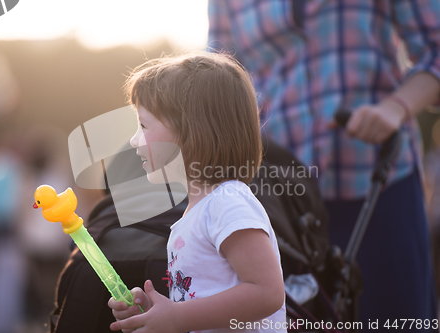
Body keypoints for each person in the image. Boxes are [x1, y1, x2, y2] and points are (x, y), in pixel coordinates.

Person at [207, 0, 439, 329]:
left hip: (377, 187)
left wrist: (395, 107)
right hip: (281, 205)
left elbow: (436, 47)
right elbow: (218, 81)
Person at [108, 53, 286, 332]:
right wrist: (157, 312)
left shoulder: (228, 203)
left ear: (191, 131)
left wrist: (179, 318)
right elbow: (205, 299)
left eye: (143, 126)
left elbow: (267, 292)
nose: (134, 139)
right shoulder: (197, 212)